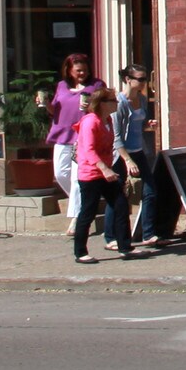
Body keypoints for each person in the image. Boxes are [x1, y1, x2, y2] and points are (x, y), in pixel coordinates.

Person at [71, 83, 133, 264]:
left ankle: (124, 246)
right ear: (102, 103)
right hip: (91, 174)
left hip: (107, 173)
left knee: (120, 204)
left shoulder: (108, 121)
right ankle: (80, 252)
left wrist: (109, 169)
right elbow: (88, 150)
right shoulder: (90, 121)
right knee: (88, 212)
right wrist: (104, 168)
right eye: (113, 101)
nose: (116, 103)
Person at [114, 64, 175, 245]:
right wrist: (127, 160)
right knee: (117, 196)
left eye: (145, 79)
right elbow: (116, 137)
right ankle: (111, 236)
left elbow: (138, 127)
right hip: (122, 154)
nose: (143, 83)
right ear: (128, 80)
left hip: (138, 151)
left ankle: (148, 234)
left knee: (150, 191)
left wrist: (148, 124)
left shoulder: (140, 100)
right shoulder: (120, 104)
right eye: (140, 79)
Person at [36, 52, 90, 234]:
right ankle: (83, 204)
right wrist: (44, 104)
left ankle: (76, 219)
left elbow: (102, 106)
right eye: (78, 70)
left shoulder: (96, 85)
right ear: (69, 70)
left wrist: (90, 106)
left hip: (82, 136)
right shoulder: (61, 86)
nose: (82, 73)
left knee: (76, 179)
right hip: (61, 135)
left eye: (84, 69)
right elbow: (55, 110)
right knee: (60, 174)